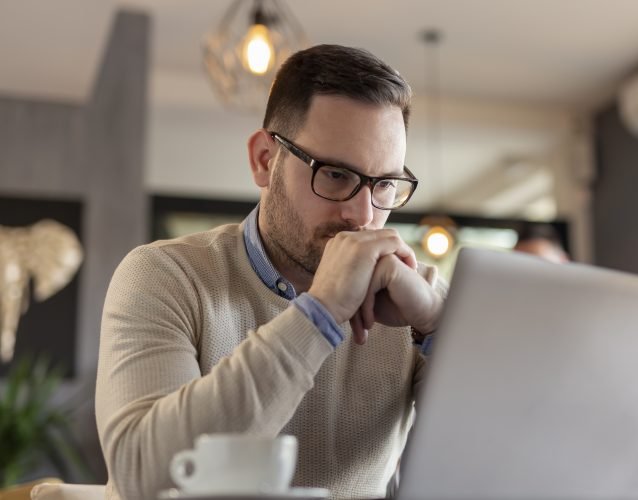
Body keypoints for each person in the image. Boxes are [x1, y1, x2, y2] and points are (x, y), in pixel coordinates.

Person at [95, 45, 446, 500]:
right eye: (337, 175)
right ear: (264, 160)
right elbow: (142, 474)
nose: (363, 216)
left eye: (384, 185)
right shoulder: (164, 276)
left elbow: (500, 463)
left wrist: (439, 327)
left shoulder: (415, 298)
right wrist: (317, 315)